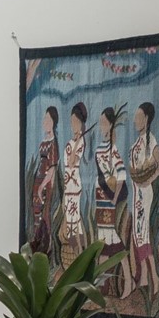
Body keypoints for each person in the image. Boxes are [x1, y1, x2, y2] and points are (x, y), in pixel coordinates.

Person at [127, 100, 159, 305]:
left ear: (146, 119)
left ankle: (155, 279)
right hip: (136, 193)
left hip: (144, 193)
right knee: (137, 234)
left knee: (143, 234)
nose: (135, 120)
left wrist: (149, 180)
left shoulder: (151, 140)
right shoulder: (137, 143)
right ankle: (144, 278)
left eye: (139, 117)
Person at [93, 106, 131, 297]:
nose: (101, 126)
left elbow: (121, 174)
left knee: (111, 237)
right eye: (100, 123)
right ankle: (102, 284)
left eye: (104, 123)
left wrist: (115, 198)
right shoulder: (100, 147)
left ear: (110, 125)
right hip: (100, 198)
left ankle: (129, 280)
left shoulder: (112, 149)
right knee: (103, 241)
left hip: (108, 199)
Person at [27, 104, 60, 257]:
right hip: (38, 181)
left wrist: (42, 187)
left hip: (46, 185)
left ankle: (46, 250)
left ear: (54, 122)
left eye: (48, 119)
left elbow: (52, 169)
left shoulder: (53, 144)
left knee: (44, 217)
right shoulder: (44, 142)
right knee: (36, 216)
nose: (45, 122)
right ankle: (36, 248)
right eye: (44, 119)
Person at [58, 102, 89, 263]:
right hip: (67, 187)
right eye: (71, 122)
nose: (73, 125)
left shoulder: (81, 142)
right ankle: (76, 258)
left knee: (74, 222)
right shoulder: (71, 142)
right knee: (69, 223)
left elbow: (71, 162)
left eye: (75, 122)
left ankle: (80, 255)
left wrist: (78, 139)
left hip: (75, 188)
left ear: (81, 123)